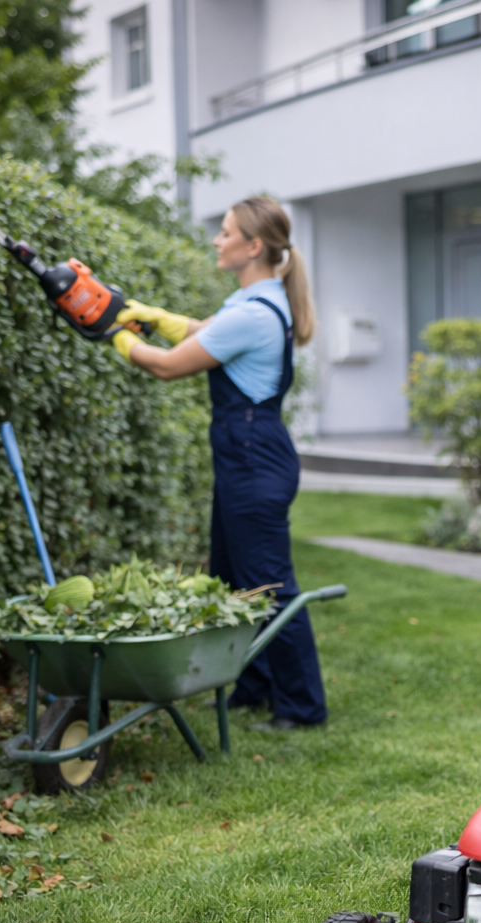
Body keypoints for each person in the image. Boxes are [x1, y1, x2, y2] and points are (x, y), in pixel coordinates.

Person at [109, 196, 327, 732]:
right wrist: (152, 317)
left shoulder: (253, 313)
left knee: (270, 586)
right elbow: (197, 330)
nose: (216, 239)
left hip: (253, 459)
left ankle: (302, 708)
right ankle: (254, 688)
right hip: (248, 455)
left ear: (253, 246)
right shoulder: (255, 300)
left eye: (225, 232)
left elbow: (165, 367)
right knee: (235, 580)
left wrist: (108, 332)